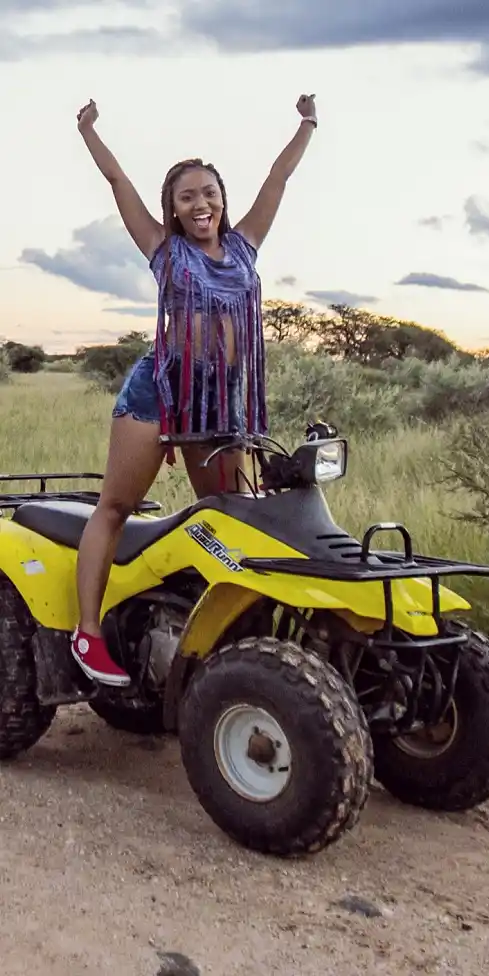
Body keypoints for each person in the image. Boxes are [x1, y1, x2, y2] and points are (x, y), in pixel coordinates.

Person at [69, 94, 318, 687]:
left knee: (230, 516)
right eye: (187, 197)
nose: (200, 203)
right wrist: (89, 131)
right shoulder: (163, 250)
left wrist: (306, 124)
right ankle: (88, 633)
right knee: (115, 507)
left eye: (209, 193)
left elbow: (278, 178)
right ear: (174, 210)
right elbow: (118, 181)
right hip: (160, 389)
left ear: (222, 199)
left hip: (218, 400)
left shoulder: (245, 245)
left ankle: (222, 642)